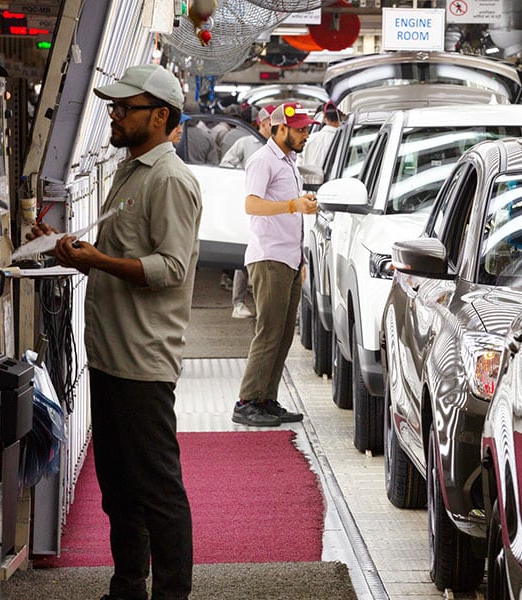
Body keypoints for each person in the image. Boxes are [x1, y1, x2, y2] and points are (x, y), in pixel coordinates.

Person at [26, 63, 200, 600]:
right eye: (113, 108)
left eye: (126, 109)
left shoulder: (170, 180)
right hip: (109, 356)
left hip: (142, 361)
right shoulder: (131, 171)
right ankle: (128, 588)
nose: (115, 117)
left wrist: (98, 259)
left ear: (161, 115)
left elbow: (171, 268)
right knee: (120, 490)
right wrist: (73, 253)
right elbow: (119, 256)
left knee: (156, 489)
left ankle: (172, 592)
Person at [232, 102, 319, 427]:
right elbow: (251, 204)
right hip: (269, 258)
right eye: (299, 130)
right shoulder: (262, 160)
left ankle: (266, 399)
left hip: (290, 260)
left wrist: (302, 259)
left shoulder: (290, 162)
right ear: (280, 129)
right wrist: (292, 204)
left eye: (306, 129)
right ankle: (247, 401)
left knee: (283, 335)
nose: (305, 135)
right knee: (269, 332)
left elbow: (292, 215)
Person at [220, 105, 276, 319]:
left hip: (273, 209)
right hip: (251, 207)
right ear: (262, 123)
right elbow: (225, 164)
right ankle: (238, 303)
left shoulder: (279, 146)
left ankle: (266, 303)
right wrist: (243, 179)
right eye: (272, 122)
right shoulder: (245, 144)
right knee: (246, 254)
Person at [297, 100, 343, 178]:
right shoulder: (347, 142)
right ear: (342, 117)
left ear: (324, 118)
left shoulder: (307, 140)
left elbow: (298, 169)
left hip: (308, 188)